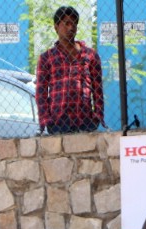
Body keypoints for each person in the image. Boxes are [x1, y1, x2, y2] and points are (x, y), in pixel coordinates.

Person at [36, 6, 104, 134]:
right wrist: (46, 120)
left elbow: (98, 89)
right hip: (58, 122)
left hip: (85, 120)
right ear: (56, 27)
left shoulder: (90, 55)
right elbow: (41, 92)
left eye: (74, 24)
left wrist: (98, 116)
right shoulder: (47, 58)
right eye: (66, 23)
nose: (71, 27)